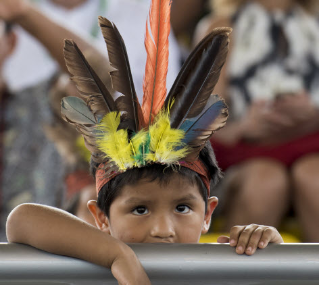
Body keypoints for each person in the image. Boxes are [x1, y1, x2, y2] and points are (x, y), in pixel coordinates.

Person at [6, 1, 283, 283]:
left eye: (182, 208)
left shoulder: (217, 266)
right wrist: (119, 256)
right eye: (140, 209)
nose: (163, 230)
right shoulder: (92, 263)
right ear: (100, 218)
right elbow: (21, 220)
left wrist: (264, 246)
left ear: (207, 213)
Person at [194, 0, 319, 242]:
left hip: (311, 146)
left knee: (314, 176)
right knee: (265, 181)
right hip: (243, 153)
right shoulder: (220, 26)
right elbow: (199, 125)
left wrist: (313, 115)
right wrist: (246, 127)